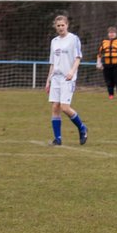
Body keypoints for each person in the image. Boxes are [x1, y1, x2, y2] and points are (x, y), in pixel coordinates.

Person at [45, 14, 89, 146]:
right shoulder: (54, 41)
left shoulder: (73, 39)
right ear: (55, 27)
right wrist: (48, 80)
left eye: (62, 25)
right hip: (56, 78)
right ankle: (57, 139)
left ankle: (82, 128)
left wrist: (72, 71)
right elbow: (52, 63)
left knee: (65, 107)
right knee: (55, 107)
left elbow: (78, 57)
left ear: (67, 25)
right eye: (58, 26)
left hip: (67, 78)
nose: (60, 28)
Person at [96, 25, 117, 99]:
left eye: (113, 33)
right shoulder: (104, 42)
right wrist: (98, 63)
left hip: (116, 64)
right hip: (106, 64)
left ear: (116, 34)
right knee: (108, 81)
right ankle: (111, 95)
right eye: (110, 33)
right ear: (108, 34)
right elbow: (99, 53)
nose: (111, 34)